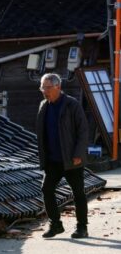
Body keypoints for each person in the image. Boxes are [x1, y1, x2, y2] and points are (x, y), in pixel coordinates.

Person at [35, 73, 89, 239]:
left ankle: (82, 227)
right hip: (52, 160)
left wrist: (78, 154)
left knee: (78, 193)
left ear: (58, 87)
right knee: (47, 189)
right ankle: (56, 224)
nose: (44, 91)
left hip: (71, 158)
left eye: (47, 87)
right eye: (42, 87)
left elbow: (83, 130)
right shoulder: (44, 106)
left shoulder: (71, 105)